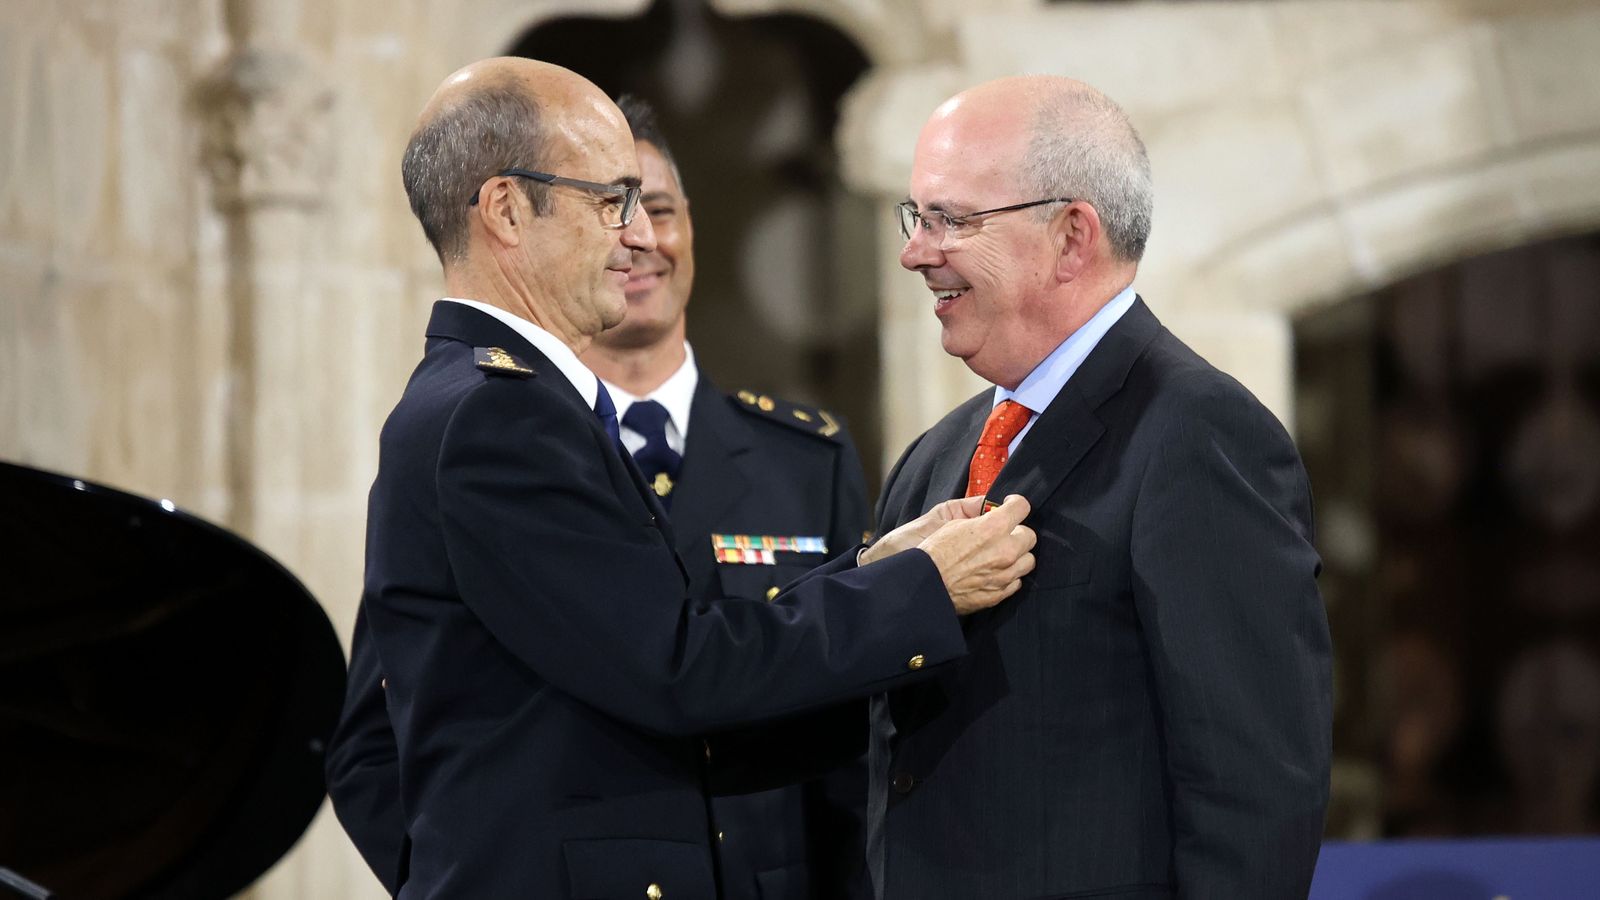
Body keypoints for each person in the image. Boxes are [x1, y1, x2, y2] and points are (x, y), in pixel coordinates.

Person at [328, 57, 1036, 900]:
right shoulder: (497, 415)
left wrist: (871, 571)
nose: (636, 236)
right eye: (609, 201)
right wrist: (919, 587)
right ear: (508, 211)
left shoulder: (499, 401)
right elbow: (678, 667)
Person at [868, 75, 1332, 899]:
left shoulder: (1198, 432)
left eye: (951, 219)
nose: (915, 251)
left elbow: (1253, 787)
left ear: (1072, 236)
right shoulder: (933, 458)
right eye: (917, 217)